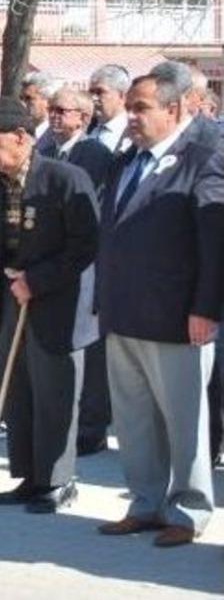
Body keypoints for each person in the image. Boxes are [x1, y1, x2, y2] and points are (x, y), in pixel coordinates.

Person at [0, 97, 99, 514]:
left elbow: (85, 244)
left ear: (21, 138)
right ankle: (28, 476)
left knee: (55, 393)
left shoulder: (65, 178)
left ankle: (57, 480)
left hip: (58, 299)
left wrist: (38, 280)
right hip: (11, 295)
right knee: (16, 391)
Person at [96, 72, 223, 547]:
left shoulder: (202, 159)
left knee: (184, 421)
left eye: (142, 107)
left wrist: (206, 307)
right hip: (124, 311)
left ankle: (187, 511)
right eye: (129, 106)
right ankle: (145, 502)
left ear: (172, 111)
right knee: (134, 419)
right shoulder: (126, 159)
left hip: (176, 317)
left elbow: (213, 242)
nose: (131, 116)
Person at [40, 87, 115, 458]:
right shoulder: (47, 149)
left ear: (82, 118)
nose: (53, 116)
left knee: (90, 348)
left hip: (86, 262)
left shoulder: (94, 155)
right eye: (51, 109)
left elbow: (92, 212)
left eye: (61, 110)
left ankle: (92, 426)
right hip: (54, 262)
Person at [88, 64, 131, 154]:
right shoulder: (86, 127)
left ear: (122, 96)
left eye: (100, 92)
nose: (93, 98)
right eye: (91, 92)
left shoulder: (133, 133)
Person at [20, 72, 62, 155]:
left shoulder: (59, 136)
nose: (23, 104)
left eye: (29, 99)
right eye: (21, 99)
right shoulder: (22, 133)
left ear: (48, 101)